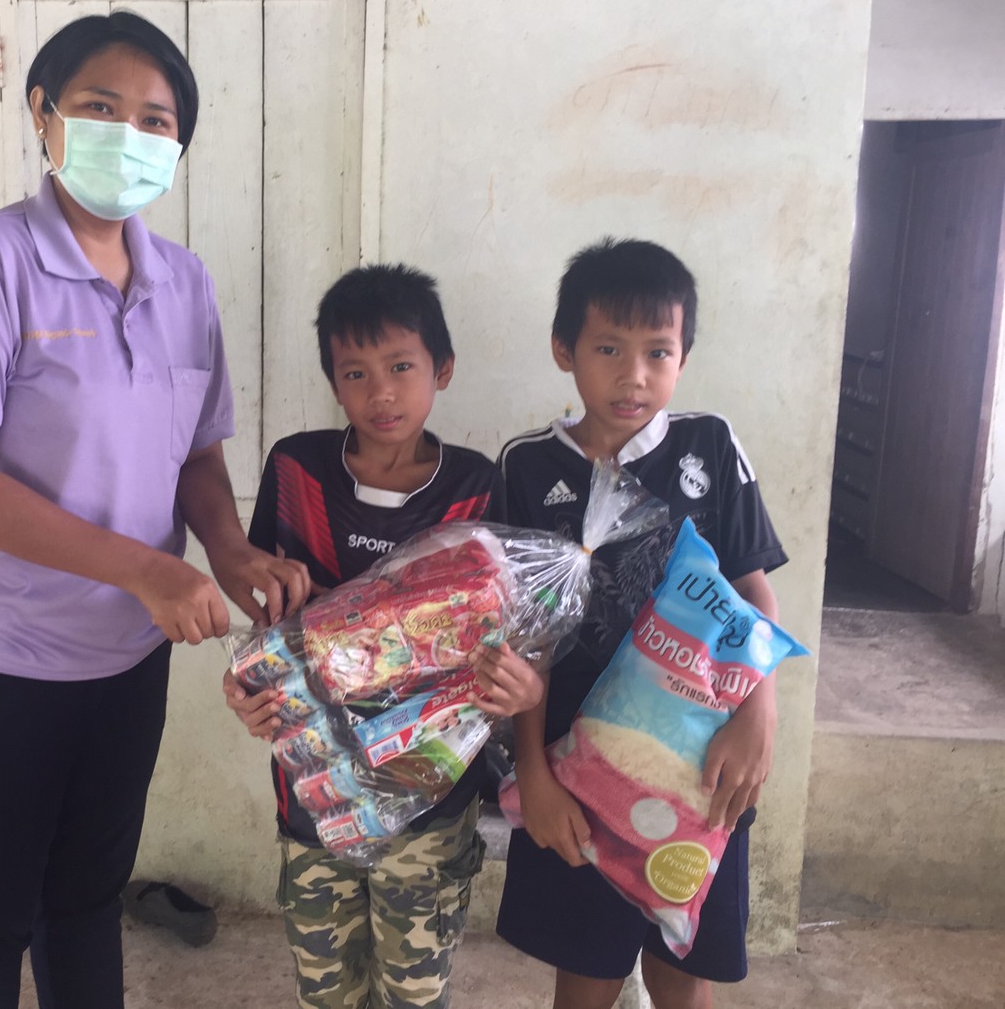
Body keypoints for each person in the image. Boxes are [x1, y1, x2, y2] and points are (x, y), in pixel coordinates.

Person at [0, 11, 309, 1009]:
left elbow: (195, 452)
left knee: (84, 900)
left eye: (155, 120)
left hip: (125, 654)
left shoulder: (183, 283)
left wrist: (228, 550)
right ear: (43, 114)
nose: (128, 135)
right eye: (99, 107)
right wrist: (144, 568)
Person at [224, 264, 545, 1009]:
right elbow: (269, 624)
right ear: (334, 384)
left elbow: (514, 633)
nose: (382, 393)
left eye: (402, 367)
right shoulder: (297, 470)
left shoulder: (476, 487)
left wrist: (522, 688)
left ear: (443, 369)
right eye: (356, 373)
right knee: (326, 991)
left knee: (414, 992)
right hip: (315, 794)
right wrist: (246, 688)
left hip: (431, 806)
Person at [495, 239, 788, 1009]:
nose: (634, 375)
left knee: (681, 970)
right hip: (578, 765)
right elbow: (525, 636)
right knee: (586, 971)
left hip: (697, 760)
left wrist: (758, 712)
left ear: (683, 356)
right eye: (608, 349)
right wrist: (533, 772)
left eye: (658, 351)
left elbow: (752, 593)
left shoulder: (708, 446)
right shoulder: (527, 467)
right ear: (563, 350)